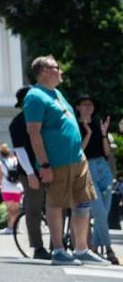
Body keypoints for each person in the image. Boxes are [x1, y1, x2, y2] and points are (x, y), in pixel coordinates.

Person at [24, 55, 109, 266]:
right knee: (56, 203)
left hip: (77, 160)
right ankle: (59, 251)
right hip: (57, 162)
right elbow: (34, 133)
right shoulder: (34, 96)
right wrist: (44, 165)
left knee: (83, 203)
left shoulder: (57, 93)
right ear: (45, 71)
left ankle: (81, 249)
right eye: (56, 68)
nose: (60, 71)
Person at [75, 95, 117, 264]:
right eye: (84, 104)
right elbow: (78, 151)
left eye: (90, 104)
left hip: (103, 168)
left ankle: (93, 246)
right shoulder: (75, 126)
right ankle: (108, 249)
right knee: (99, 211)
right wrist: (88, 132)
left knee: (103, 213)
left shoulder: (100, 125)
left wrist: (104, 134)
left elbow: (107, 152)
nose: (88, 107)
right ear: (77, 107)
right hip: (87, 168)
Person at [9, 85, 48, 259]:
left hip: (49, 167)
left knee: (57, 206)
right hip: (29, 171)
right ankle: (38, 247)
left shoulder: (45, 118)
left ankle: (58, 244)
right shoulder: (18, 123)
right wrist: (31, 174)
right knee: (33, 209)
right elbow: (20, 151)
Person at [0, 143, 23, 235]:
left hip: (6, 188)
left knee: (9, 209)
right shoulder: (16, 161)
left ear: (1, 153)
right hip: (18, 187)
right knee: (16, 209)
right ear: (9, 152)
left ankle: (10, 227)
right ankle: (16, 227)